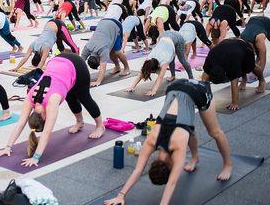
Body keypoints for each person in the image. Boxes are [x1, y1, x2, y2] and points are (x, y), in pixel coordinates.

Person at [103, 79, 232, 205]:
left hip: (198, 90)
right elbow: (138, 170)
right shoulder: (151, 140)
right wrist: (120, 195)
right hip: (174, 86)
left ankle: (228, 165)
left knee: (214, 132)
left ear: (171, 166)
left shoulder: (177, 147)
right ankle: (194, 158)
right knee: (186, 130)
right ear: (154, 162)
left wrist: (121, 196)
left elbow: (172, 183)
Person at [0, 53, 105, 167]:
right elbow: (20, 123)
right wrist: (8, 147)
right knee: (69, 96)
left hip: (76, 65)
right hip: (56, 61)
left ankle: (100, 126)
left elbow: (47, 132)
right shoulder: (30, 99)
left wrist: (36, 157)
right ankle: (80, 122)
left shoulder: (52, 101)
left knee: (84, 97)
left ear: (44, 118)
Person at [126, 31, 194, 96]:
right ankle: (173, 76)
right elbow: (141, 72)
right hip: (164, 36)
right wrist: (132, 87)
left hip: (177, 37)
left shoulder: (164, 62)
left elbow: (160, 77)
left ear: (157, 67)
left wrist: (154, 91)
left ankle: (192, 78)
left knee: (182, 60)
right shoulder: (149, 59)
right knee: (170, 56)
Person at [201, 38, 258, 111]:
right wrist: (202, 100)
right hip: (228, 45)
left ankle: (262, 80)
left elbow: (234, 82)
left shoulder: (231, 64)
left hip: (244, 46)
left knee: (251, 67)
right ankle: (244, 79)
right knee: (239, 69)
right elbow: (203, 81)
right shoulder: (210, 61)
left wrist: (235, 103)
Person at [12, 19, 79, 72]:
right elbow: (25, 57)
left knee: (71, 44)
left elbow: (42, 61)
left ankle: (78, 62)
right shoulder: (33, 45)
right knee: (61, 48)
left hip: (59, 25)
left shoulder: (45, 48)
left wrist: (36, 72)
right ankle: (67, 59)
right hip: (50, 26)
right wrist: (17, 67)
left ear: (40, 56)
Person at [82, 18, 130, 87]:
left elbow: (103, 67)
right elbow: (81, 62)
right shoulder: (87, 48)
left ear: (99, 60)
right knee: (110, 51)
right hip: (102, 22)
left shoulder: (102, 50)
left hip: (115, 25)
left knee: (117, 51)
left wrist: (98, 81)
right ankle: (118, 67)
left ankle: (127, 68)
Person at [239, 16, 270, 90]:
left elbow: (263, 60)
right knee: (244, 60)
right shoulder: (241, 41)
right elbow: (241, 63)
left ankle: (262, 81)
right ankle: (245, 78)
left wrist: (260, 79)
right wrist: (244, 79)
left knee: (260, 54)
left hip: (266, 23)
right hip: (252, 21)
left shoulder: (259, 39)